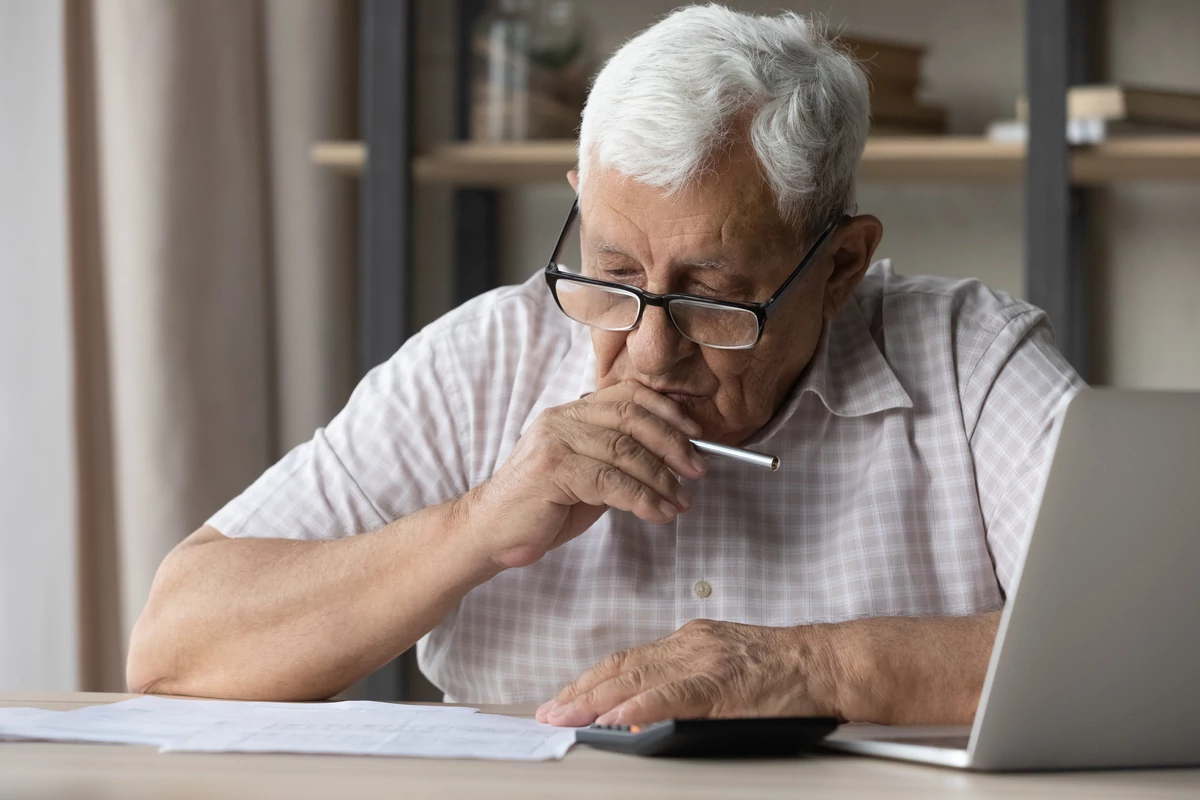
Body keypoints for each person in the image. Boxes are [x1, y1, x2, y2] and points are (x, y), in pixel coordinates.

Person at [127, 4, 1081, 728]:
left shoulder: (968, 362)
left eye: (711, 297)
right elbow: (175, 655)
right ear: (580, 206)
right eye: (614, 273)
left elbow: (1160, 644)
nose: (651, 349)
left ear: (839, 267)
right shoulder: (486, 359)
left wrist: (817, 668)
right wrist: (477, 528)